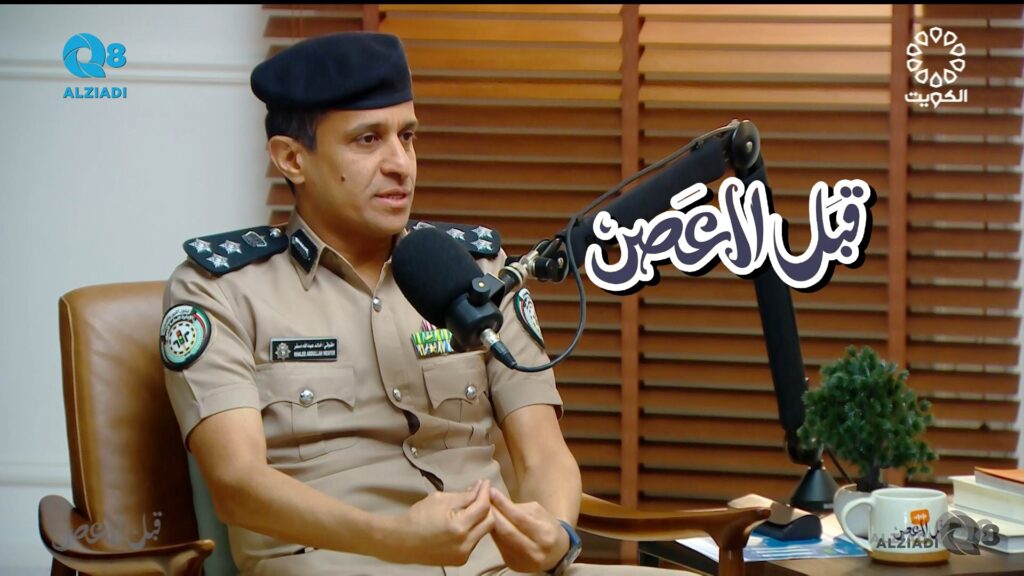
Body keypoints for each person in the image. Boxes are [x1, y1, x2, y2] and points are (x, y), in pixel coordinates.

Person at [161, 31, 685, 576]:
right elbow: (237, 485)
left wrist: (555, 533)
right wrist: (393, 540)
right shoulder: (220, 290)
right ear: (292, 158)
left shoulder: (478, 273)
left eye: (407, 136)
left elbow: (542, 452)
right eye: (368, 140)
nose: (401, 164)